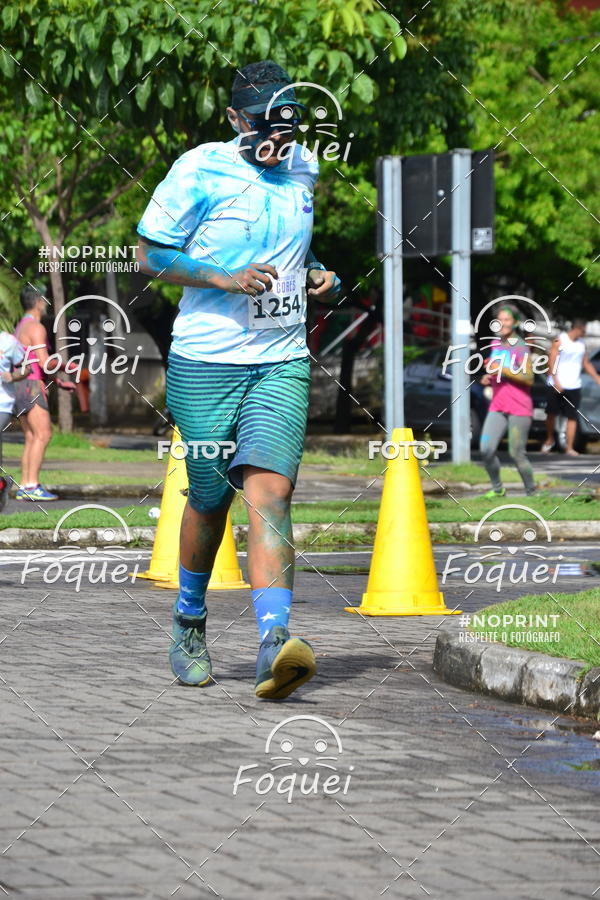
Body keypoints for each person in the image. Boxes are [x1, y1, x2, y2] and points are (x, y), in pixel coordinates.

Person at [136, 61, 341, 699]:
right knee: (209, 497)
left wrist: (317, 273)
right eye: (261, 129)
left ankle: (274, 642)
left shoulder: (303, 166)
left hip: (281, 359)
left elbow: (295, 248)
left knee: (271, 493)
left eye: (285, 129)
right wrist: (224, 276)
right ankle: (190, 620)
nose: (275, 143)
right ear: (234, 119)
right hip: (205, 361)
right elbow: (150, 254)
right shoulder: (201, 169)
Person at [14, 286, 74, 501]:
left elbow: (29, 361)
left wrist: (56, 380)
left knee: (31, 436)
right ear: (38, 302)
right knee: (44, 434)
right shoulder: (36, 327)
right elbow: (44, 362)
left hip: (19, 386)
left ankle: (25, 485)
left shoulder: (21, 326)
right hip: (31, 386)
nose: (47, 303)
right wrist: (66, 367)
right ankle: (32, 487)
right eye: (45, 300)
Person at [479, 304, 535, 497]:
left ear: (515, 323)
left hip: (519, 407)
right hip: (498, 405)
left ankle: (532, 492)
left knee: (516, 453)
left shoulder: (520, 346)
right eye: (499, 319)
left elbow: (529, 377)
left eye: (507, 320)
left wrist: (503, 370)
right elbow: (494, 370)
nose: (502, 323)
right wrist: (489, 377)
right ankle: (498, 489)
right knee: (486, 449)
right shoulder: (495, 344)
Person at [542, 318, 600, 456]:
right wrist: (556, 380)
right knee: (551, 414)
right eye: (583, 331)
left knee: (572, 416)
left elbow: (586, 363)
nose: (584, 334)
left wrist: (596, 378)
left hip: (574, 384)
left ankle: (569, 447)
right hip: (556, 383)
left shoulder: (581, 344)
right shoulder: (560, 340)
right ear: (577, 329)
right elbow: (552, 360)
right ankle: (550, 438)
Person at [0, 330, 29, 511]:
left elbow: (27, 367)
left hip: (1, 404)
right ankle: (2, 484)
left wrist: (13, 376)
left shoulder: (8, 341)